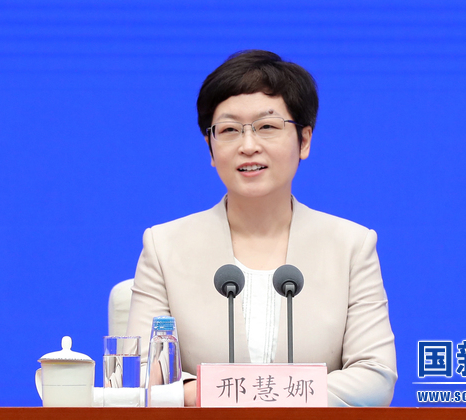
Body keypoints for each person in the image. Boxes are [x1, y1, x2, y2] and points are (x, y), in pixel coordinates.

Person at [126, 50, 397, 406]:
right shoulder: (165, 246)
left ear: (304, 140)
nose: (248, 146)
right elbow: (143, 377)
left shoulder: (350, 246)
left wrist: (235, 393)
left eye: (267, 127)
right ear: (210, 148)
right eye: (229, 130)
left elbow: (375, 378)